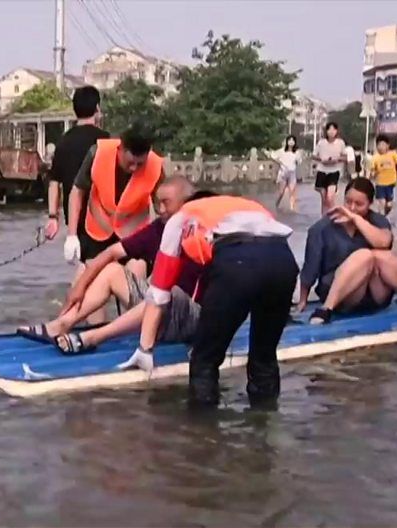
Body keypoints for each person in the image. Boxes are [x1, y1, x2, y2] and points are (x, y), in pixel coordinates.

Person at [119, 194, 298, 408]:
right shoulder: (251, 206)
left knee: (205, 361)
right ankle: (265, 424)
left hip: (238, 263)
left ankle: (203, 434)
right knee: (264, 359)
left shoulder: (181, 218)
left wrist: (145, 348)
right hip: (284, 263)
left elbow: (158, 293)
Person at [17, 176, 205, 351]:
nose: (160, 209)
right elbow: (112, 252)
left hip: (192, 317)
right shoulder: (160, 228)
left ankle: (95, 337)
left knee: (167, 293)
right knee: (112, 270)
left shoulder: (206, 231)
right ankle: (62, 324)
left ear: (186, 203)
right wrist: (79, 287)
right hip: (159, 309)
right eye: (157, 203)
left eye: (167, 203)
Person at [297, 177, 397, 325]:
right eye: (348, 202)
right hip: (340, 297)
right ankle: (326, 309)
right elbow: (309, 271)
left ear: (369, 204)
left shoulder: (378, 221)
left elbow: (384, 242)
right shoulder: (321, 228)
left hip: (374, 294)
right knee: (365, 255)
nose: (352, 208)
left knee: (381, 255)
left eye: (359, 204)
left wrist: (356, 219)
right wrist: (302, 301)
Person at [64, 123, 164, 322]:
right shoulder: (98, 153)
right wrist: (72, 234)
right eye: (130, 163)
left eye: (140, 164)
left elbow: (164, 208)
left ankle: (133, 330)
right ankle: (94, 332)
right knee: (84, 286)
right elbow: (78, 191)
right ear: (121, 149)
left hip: (134, 234)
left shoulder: (156, 165)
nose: (134, 168)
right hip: (97, 232)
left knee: (135, 276)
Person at [44, 86, 110, 322]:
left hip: (74, 219)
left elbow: (54, 181)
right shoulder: (106, 141)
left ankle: (92, 321)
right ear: (98, 109)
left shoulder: (63, 142)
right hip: (101, 218)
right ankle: (70, 318)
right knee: (94, 270)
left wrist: (53, 218)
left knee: (92, 268)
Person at [314, 122, 349, 213]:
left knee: (330, 198)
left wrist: (336, 159)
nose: (331, 132)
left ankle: (335, 215)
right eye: (329, 129)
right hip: (322, 170)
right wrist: (322, 159)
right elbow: (314, 156)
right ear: (326, 131)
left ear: (337, 131)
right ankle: (324, 219)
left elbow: (345, 157)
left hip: (334, 171)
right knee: (324, 199)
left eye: (334, 129)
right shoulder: (321, 142)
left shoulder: (340, 143)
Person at [369, 135, 397, 215]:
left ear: (387, 146)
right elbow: (372, 171)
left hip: (390, 184)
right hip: (380, 184)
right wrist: (372, 175)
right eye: (378, 145)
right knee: (382, 202)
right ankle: (380, 217)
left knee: (389, 205)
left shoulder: (392, 155)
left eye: (383, 145)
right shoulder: (375, 157)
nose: (380, 147)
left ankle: (385, 214)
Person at [273, 135, 301, 212]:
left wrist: (297, 162)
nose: (291, 142)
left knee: (292, 191)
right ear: (287, 142)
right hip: (283, 173)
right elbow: (273, 156)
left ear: (295, 142)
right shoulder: (282, 151)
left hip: (292, 173)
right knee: (281, 192)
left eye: (293, 140)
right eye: (289, 140)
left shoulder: (297, 152)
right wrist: (279, 163)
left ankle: (292, 208)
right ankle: (276, 204)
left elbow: (299, 161)